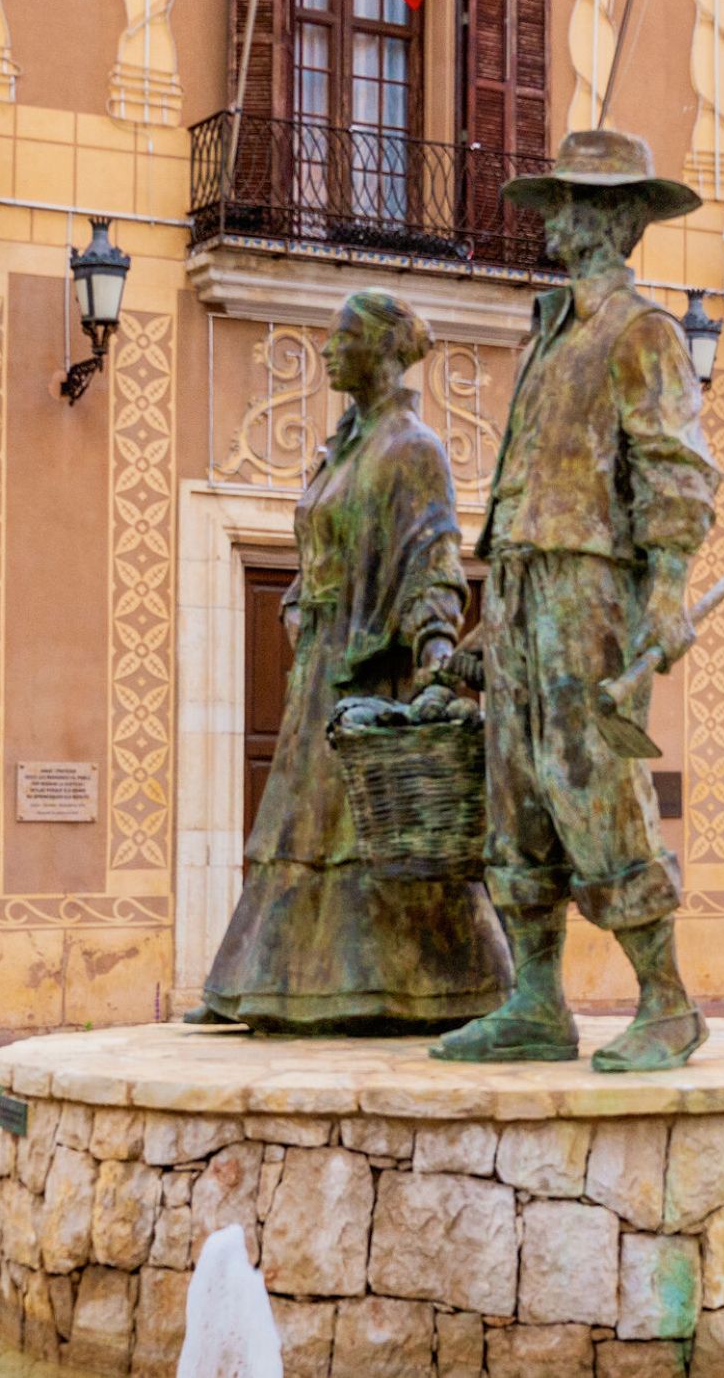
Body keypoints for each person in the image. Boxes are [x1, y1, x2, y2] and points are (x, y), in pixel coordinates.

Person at [433, 129, 719, 1074]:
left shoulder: (642, 332)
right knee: (515, 789)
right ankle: (534, 1000)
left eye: (565, 201)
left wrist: (666, 587)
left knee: (591, 782)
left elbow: (675, 467)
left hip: (590, 584)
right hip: (523, 582)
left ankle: (667, 1002)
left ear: (606, 218)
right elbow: (524, 477)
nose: (550, 217)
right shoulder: (550, 331)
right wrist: (492, 617)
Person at [193, 291, 512, 1033]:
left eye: (343, 337)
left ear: (382, 349)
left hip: (375, 667)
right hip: (321, 663)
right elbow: (318, 550)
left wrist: (437, 653)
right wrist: (298, 603)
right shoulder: (341, 450)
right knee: (298, 824)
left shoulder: (412, 449)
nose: (328, 349)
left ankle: (438, 987)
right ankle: (260, 985)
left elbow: (436, 557)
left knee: (375, 828)